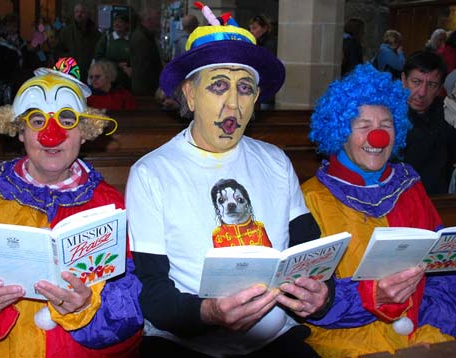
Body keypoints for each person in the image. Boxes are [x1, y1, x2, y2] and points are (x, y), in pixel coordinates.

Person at [125, 10, 333, 357]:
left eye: (245, 88)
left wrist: (322, 294)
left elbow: (308, 251)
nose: (233, 104)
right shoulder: (152, 173)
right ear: (190, 95)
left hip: (276, 340)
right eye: (218, 86)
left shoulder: (276, 161)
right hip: (186, 342)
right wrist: (208, 312)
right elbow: (152, 291)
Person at [300, 63, 456, 358]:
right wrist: (373, 297)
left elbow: (442, 268)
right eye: (363, 127)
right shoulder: (312, 199)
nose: (377, 138)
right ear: (340, 132)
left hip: (423, 329)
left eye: (386, 126)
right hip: (347, 339)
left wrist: (436, 322)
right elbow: (310, 300)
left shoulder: (409, 186)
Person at [0, 57, 143, 357]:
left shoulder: (110, 204)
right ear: (20, 131)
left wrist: (87, 308)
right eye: (37, 121)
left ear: (84, 132)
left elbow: (131, 323)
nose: (52, 134)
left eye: (67, 120)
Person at [401, 50, 456, 195]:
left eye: (431, 85)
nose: (422, 92)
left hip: (439, 204)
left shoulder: (448, 115)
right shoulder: (386, 116)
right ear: (403, 80)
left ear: (439, 89)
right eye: (416, 82)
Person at [54, 4, 101, 82]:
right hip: (70, 74)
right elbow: (58, 50)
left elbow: (99, 54)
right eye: (77, 12)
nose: (79, 14)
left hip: (90, 75)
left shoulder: (96, 34)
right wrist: (69, 61)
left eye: (82, 12)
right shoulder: (66, 32)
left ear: (87, 14)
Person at [129, 8, 163, 96]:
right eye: (156, 19)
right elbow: (143, 67)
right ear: (148, 20)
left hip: (147, 87)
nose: (159, 22)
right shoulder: (141, 38)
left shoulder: (146, 35)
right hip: (146, 89)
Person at [94, 12, 132, 90]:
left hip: (128, 82)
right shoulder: (106, 39)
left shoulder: (132, 39)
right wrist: (117, 65)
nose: (117, 24)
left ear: (127, 24)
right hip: (109, 81)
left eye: (120, 22)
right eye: (115, 21)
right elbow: (98, 58)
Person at [248, 14, 277, 110]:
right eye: (251, 29)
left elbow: (265, 64)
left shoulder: (269, 44)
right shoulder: (258, 42)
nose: (252, 32)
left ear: (264, 28)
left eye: (255, 28)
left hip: (267, 84)